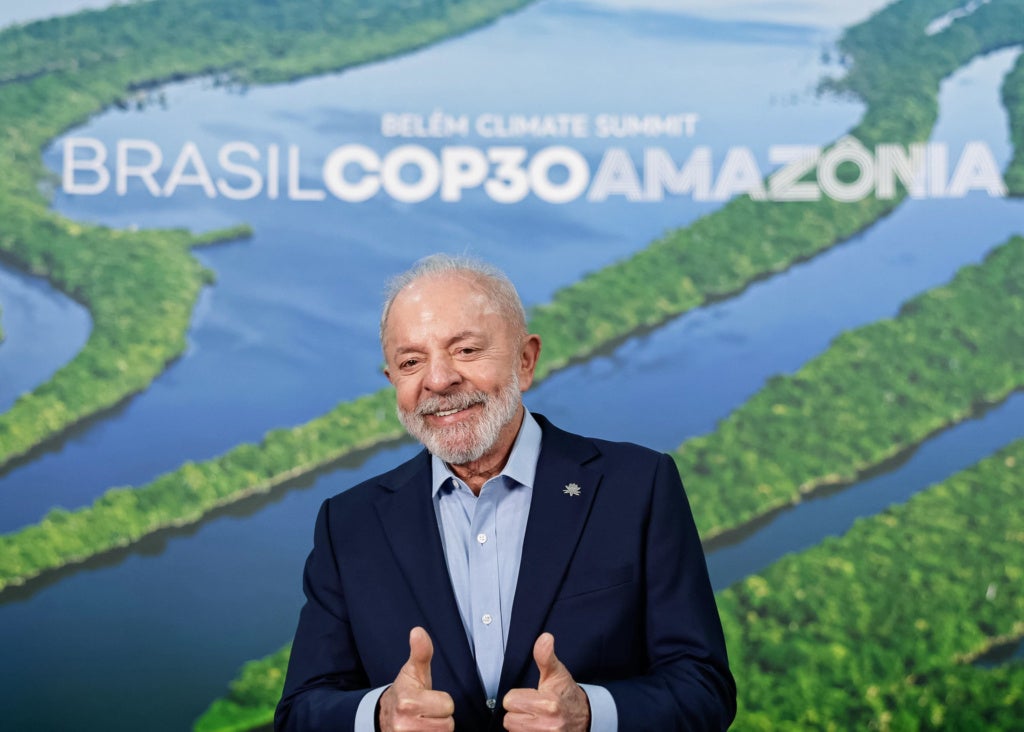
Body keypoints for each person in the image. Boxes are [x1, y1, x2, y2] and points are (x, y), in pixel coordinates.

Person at [275, 254, 736, 732]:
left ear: (525, 360)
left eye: (466, 351)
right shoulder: (349, 523)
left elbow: (704, 689)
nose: (438, 380)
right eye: (411, 362)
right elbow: (300, 712)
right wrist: (378, 715)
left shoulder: (638, 486)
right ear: (393, 381)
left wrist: (589, 714)